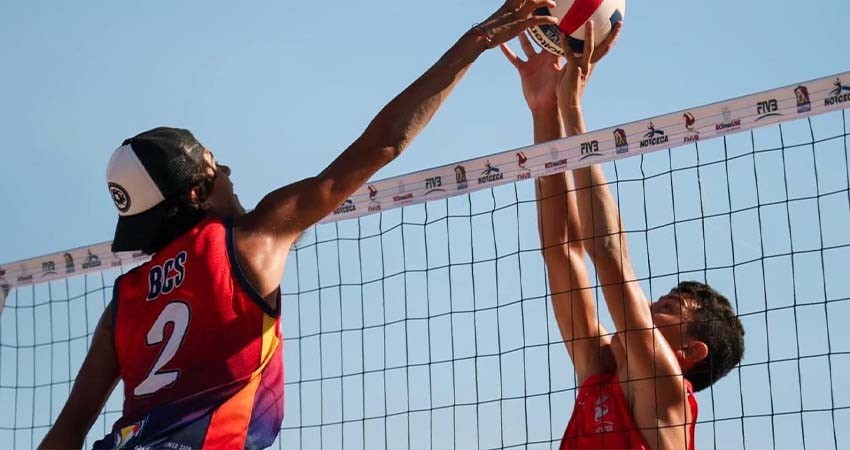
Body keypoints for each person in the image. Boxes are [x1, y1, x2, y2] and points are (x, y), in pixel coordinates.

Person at [37, 2, 560, 448]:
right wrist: (477, 40)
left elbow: (66, 431)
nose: (228, 170)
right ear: (196, 194)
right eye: (214, 166)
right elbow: (383, 144)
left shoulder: (124, 301)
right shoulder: (249, 239)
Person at [501, 22, 745, 449]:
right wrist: (545, 112)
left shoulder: (668, 392)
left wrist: (573, 109)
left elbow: (609, 256)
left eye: (667, 309)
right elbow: (562, 250)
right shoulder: (601, 372)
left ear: (690, 353)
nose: (647, 305)